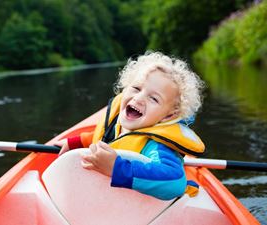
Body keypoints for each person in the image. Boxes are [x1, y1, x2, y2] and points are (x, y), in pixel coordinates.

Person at [57, 51, 205, 200]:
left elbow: (174, 183)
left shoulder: (156, 146)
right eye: (136, 88)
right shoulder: (119, 123)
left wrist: (116, 168)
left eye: (153, 98)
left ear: (168, 115)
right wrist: (76, 142)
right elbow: (106, 139)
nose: (139, 98)